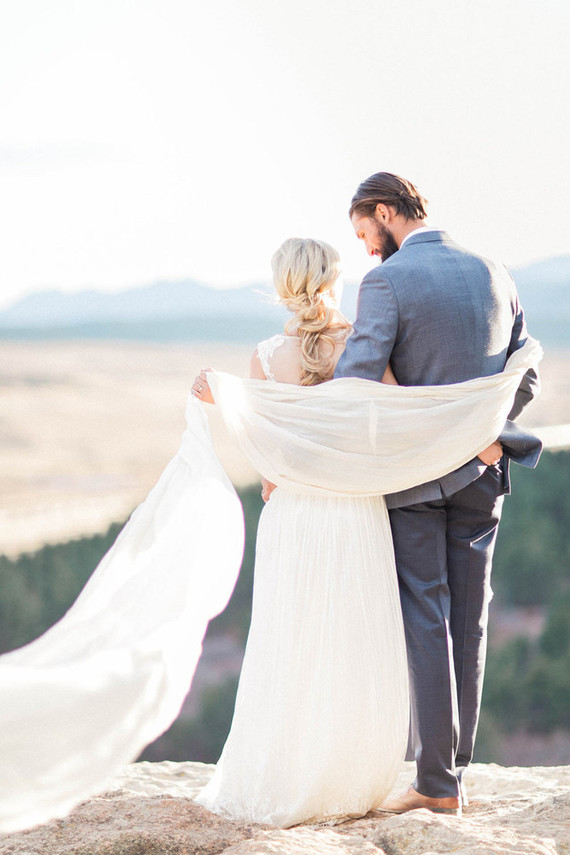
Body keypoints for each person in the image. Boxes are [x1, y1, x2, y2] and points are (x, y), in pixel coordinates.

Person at [191, 236, 515, 826]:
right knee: (359, 641)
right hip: (359, 513)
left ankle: (290, 772)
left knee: (294, 637)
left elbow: (267, 457)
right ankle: (353, 776)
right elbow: (397, 422)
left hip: (294, 517)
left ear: (284, 287)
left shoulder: (264, 359)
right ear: (333, 281)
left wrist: (261, 450)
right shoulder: (363, 345)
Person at [334, 171, 542, 814]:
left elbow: (358, 379)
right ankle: (455, 771)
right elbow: (526, 369)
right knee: (469, 619)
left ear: (387, 210)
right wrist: (485, 433)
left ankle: (435, 783)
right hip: (484, 471)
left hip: (417, 479)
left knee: (427, 615)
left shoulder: (386, 283)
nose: (368, 248)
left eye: (366, 233)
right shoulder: (495, 273)